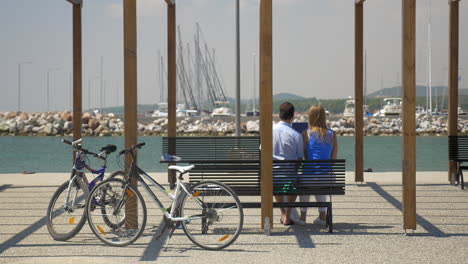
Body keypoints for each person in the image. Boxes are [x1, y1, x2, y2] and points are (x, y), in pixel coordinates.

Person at [299, 105, 338, 226]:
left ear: (310, 117)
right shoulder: (332, 134)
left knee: (305, 183)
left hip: (310, 178)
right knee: (321, 180)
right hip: (327, 179)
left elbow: (305, 156)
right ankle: (322, 217)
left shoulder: (307, 133)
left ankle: (303, 218)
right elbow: (333, 158)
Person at [273, 102, 304, 225]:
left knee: (274, 181)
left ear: (279, 115)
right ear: (292, 117)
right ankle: (288, 214)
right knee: (295, 180)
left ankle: (282, 212)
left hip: (272, 177)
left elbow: (261, 152)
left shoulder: (269, 131)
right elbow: (299, 159)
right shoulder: (296, 135)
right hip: (289, 178)